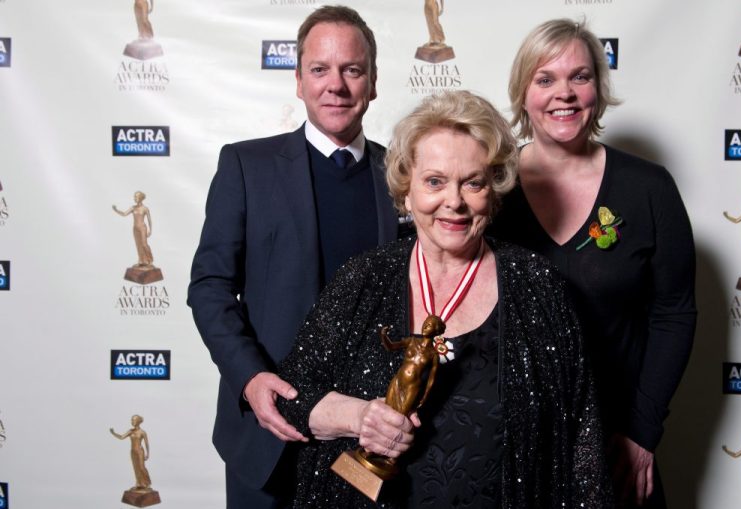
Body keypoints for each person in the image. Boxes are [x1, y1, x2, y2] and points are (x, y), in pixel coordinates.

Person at [276, 90, 612, 508]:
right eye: (434, 181)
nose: (453, 201)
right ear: (407, 190)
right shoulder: (363, 278)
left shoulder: (538, 285)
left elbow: (583, 441)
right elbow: (290, 397)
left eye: (473, 182)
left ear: (493, 190)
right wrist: (359, 417)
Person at [187, 6, 398, 508]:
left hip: (373, 438)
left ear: (372, 82)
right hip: (272, 433)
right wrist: (251, 379)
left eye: (352, 69)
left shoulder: (403, 176)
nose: (336, 85)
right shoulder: (245, 165)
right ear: (298, 81)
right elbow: (210, 286)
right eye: (320, 69)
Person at [489, 18, 696, 508]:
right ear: (523, 93)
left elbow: (675, 314)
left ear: (598, 91)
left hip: (616, 441)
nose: (564, 93)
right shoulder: (488, 188)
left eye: (580, 77)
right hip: (512, 444)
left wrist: (643, 435)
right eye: (545, 79)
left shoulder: (649, 188)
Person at [110, 415, 154, 491]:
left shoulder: (142, 432)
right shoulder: (130, 431)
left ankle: (147, 483)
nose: (132, 421)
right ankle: (139, 484)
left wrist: (148, 454)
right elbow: (121, 437)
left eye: (134, 420)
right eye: (131, 420)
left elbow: (146, 443)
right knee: (136, 468)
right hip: (133, 451)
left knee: (142, 467)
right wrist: (113, 433)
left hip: (140, 451)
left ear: (139, 421)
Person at [113, 191, 154, 268]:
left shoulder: (145, 209)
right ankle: (141, 261)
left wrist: (150, 230)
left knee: (144, 245)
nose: (134, 198)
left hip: (142, 228)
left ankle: (149, 260)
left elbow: (149, 220)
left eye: (136, 197)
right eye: (134, 197)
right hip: (135, 228)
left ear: (141, 198)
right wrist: (116, 210)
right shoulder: (133, 207)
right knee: (138, 245)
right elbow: (124, 214)